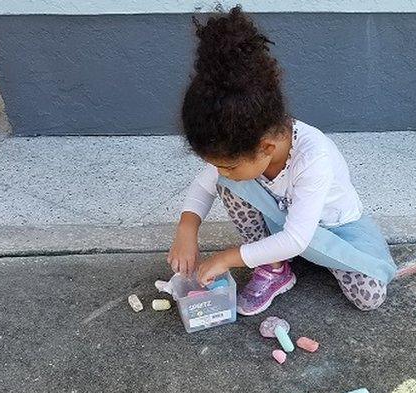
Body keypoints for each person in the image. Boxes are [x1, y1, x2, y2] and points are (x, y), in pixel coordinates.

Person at [168, 7, 396, 315]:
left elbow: (298, 238)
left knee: (370, 297)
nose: (220, 172)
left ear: (266, 147)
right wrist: (186, 227)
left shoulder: (314, 158)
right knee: (229, 187)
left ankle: (301, 257)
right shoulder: (248, 145)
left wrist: (226, 257)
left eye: (229, 165)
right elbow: (203, 186)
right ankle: (274, 265)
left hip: (334, 231)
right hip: (288, 224)